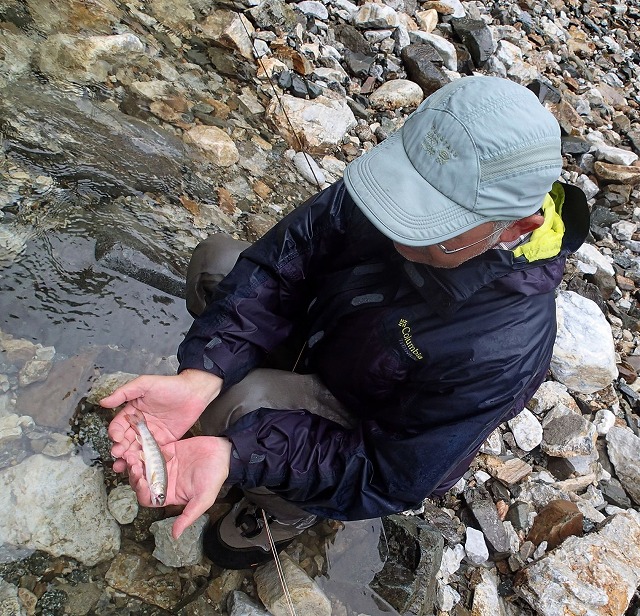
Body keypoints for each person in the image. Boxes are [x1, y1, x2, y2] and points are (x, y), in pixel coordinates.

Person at [102, 75, 589, 569]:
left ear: (517, 227)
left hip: (369, 424)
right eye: (398, 196)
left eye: (430, 226)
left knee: (241, 407)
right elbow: (287, 258)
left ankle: (286, 510)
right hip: (335, 332)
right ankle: (231, 397)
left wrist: (236, 454)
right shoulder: (412, 173)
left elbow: (387, 474)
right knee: (216, 264)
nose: (395, 228)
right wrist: (201, 374)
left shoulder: (504, 347)